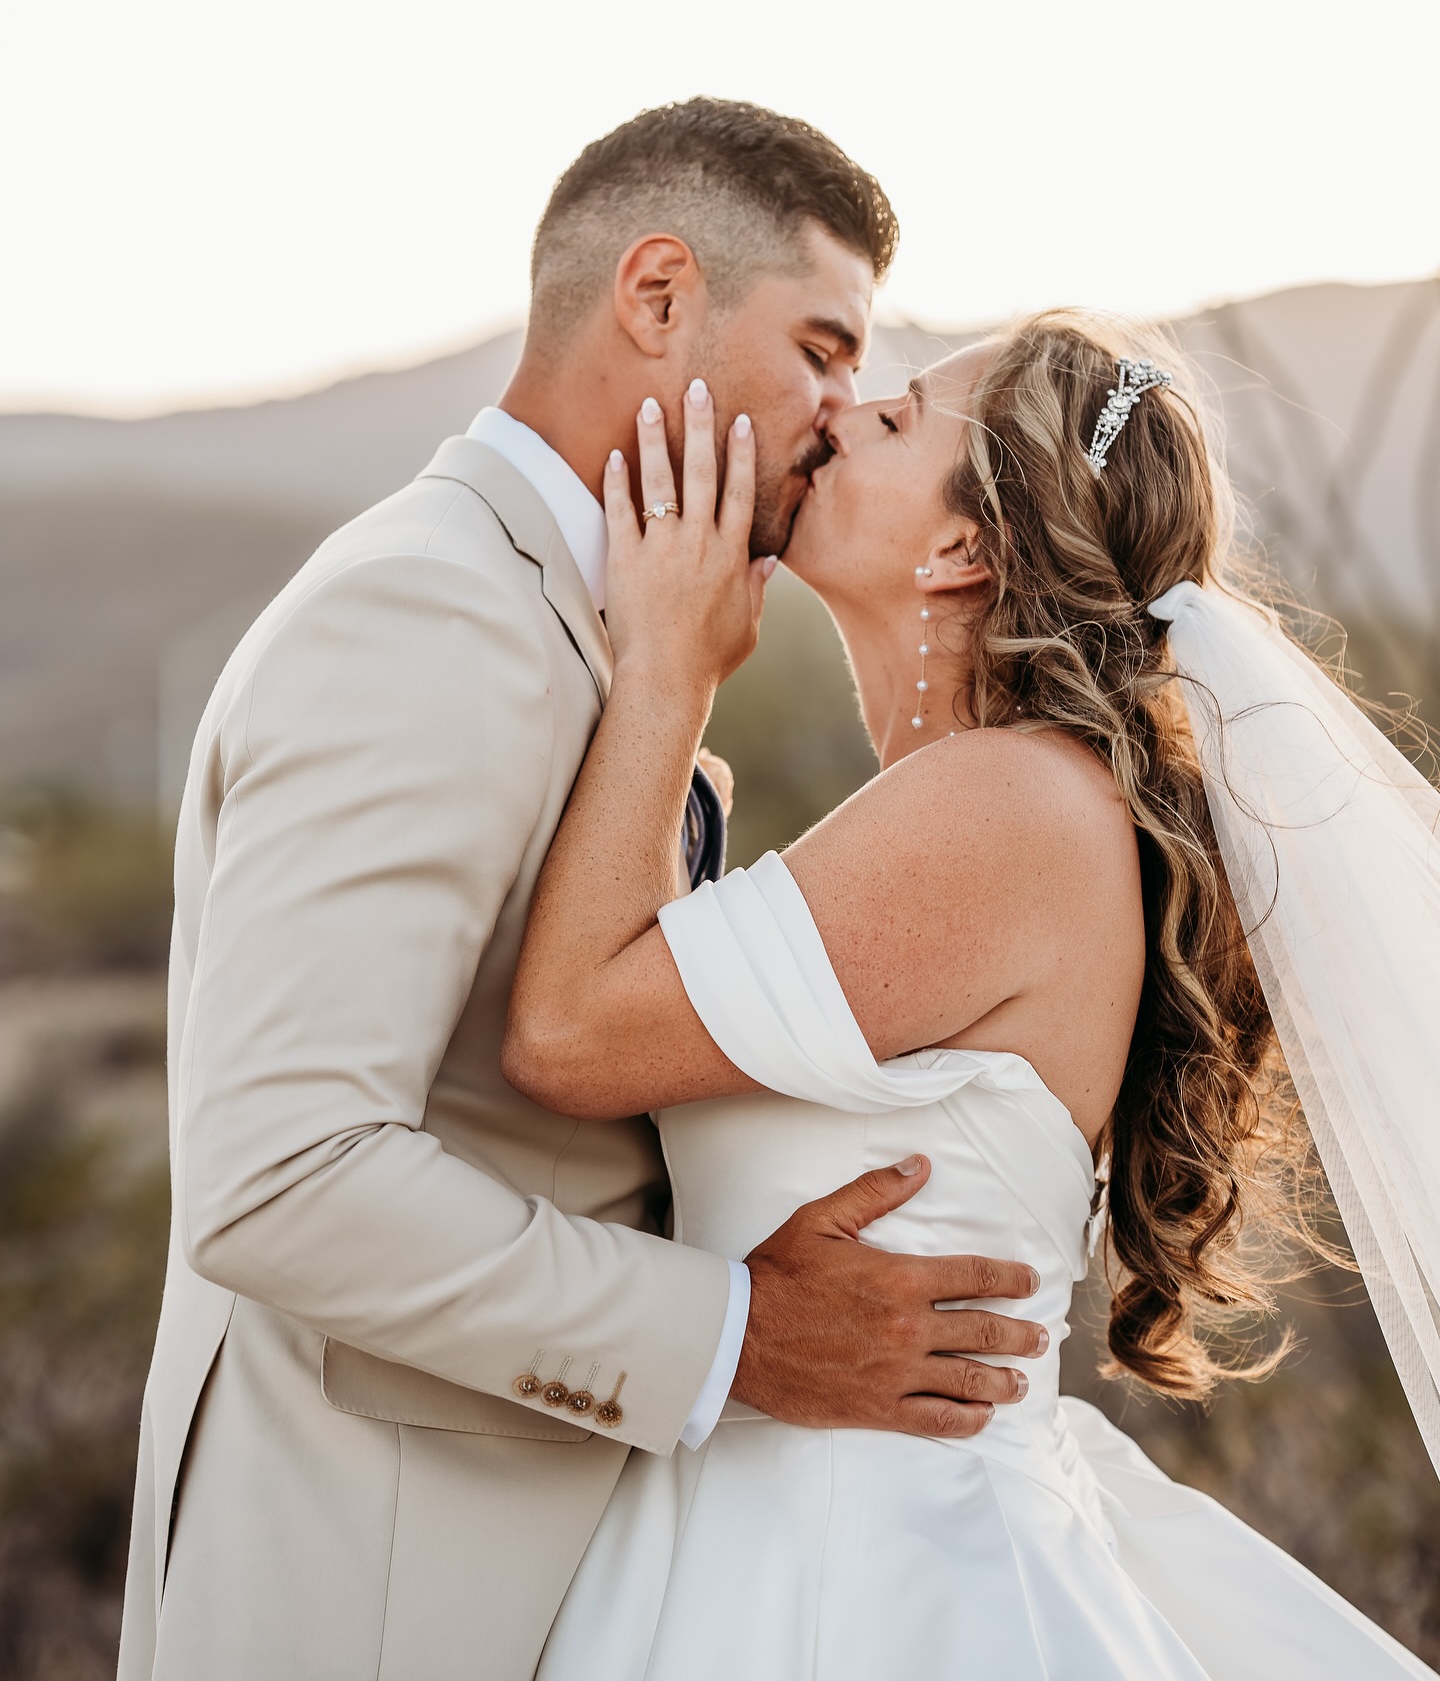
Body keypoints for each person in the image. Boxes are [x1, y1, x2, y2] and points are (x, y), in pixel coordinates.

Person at [117, 100, 1050, 1681]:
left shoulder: (603, 627)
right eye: (823, 348)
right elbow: (279, 1173)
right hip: (370, 1597)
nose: (843, 409)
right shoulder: (431, 612)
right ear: (661, 294)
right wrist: (738, 1335)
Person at [506, 311, 1440, 1679]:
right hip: (796, 1524)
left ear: (965, 548)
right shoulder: (998, 802)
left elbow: (569, 1033)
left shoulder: (1005, 804)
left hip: (869, 1576)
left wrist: (669, 670)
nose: (836, 420)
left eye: (889, 422)